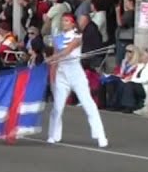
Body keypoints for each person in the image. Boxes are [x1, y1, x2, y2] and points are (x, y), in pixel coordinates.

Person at [46, 12, 109, 148]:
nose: (64, 23)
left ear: (73, 23)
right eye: (63, 21)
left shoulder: (78, 36)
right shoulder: (58, 38)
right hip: (62, 74)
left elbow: (67, 51)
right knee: (57, 107)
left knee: (88, 104)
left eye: (67, 21)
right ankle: (53, 134)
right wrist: (52, 77)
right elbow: (56, 58)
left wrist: (53, 58)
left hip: (76, 73)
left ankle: (100, 136)